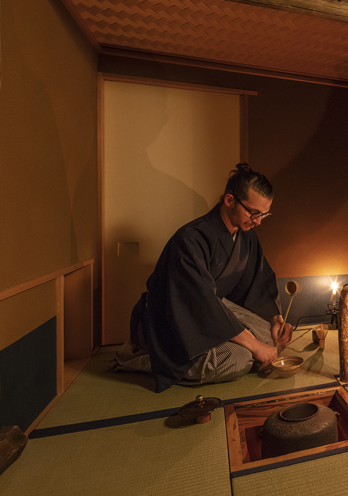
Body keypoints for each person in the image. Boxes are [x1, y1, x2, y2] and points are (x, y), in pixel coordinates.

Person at [110, 163, 292, 392]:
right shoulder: (190, 240)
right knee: (239, 360)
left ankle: (245, 341)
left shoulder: (247, 236)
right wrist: (253, 346)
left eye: (264, 214)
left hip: (211, 308)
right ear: (229, 200)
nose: (258, 221)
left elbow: (260, 280)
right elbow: (199, 301)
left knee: (269, 336)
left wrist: (276, 319)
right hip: (172, 317)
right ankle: (147, 358)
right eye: (253, 213)